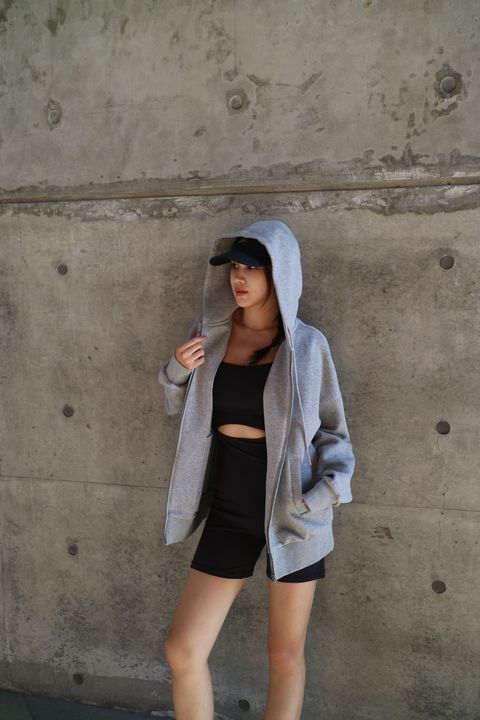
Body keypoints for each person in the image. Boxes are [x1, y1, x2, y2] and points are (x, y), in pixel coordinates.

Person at [158, 220, 355, 720]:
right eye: (234, 268)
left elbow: (334, 431)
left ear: (279, 272)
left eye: (251, 269)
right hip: (230, 505)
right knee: (183, 650)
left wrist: (323, 494)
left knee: (284, 657)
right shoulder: (211, 334)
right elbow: (178, 404)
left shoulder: (307, 346)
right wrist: (177, 369)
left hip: (292, 509)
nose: (238, 278)